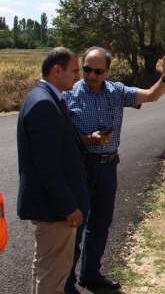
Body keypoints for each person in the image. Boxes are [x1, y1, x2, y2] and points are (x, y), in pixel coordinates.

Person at [64, 46, 165, 293]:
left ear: (107, 71)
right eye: (86, 69)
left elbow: (151, 95)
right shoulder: (69, 94)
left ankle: (90, 275)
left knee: (101, 223)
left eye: (97, 71)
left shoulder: (117, 91)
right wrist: (87, 140)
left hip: (108, 166)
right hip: (80, 167)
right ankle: (66, 282)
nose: (91, 75)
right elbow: (60, 135)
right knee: (76, 226)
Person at [16, 47, 88, 294]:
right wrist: (68, 206)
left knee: (45, 268)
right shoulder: (44, 104)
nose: (78, 77)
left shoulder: (42, 97)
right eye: (75, 70)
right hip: (54, 210)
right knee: (54, 276)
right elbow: (47, 166)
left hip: (50, 207)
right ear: (57, 70)